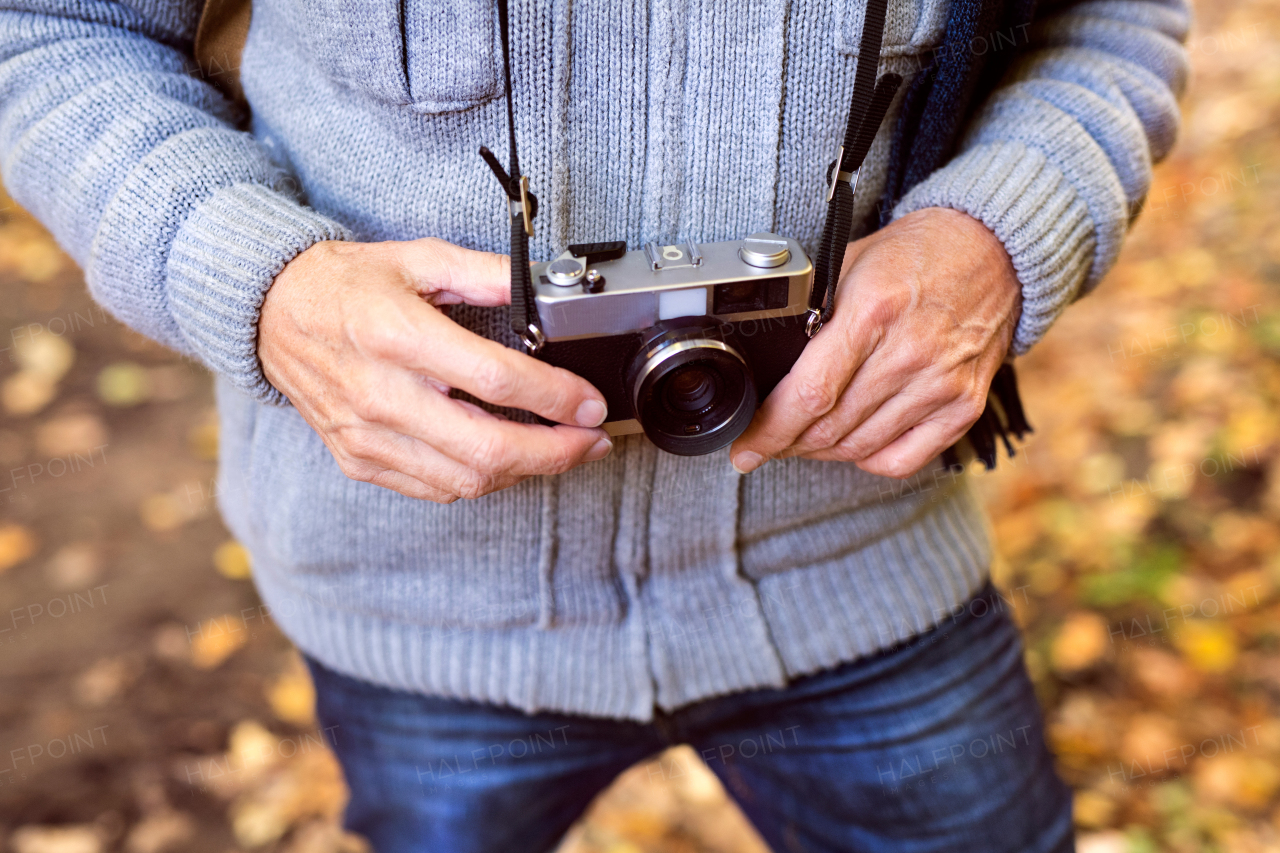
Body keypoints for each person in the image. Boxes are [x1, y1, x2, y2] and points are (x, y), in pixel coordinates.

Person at [0, 0, 1188, 849]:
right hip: (416, 602)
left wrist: (999, 230)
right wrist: (260, 285)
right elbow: (50, 29)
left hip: (863, 556)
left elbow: (1108, 19)